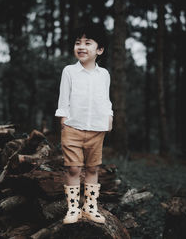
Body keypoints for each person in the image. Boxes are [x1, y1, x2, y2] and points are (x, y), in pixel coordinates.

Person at [55, 23, 113, 224]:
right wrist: (63, 119)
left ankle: (90, 208)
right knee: (73, 169)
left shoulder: (103, 74)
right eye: (78, 42)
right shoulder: (69, 71)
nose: (81, 46)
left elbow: (105, 99)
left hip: (97, 129)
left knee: (93, 168)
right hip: (73, 128)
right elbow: (64, 98)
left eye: (87, 43)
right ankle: (73, 209)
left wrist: (109, 116)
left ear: (99, 50)